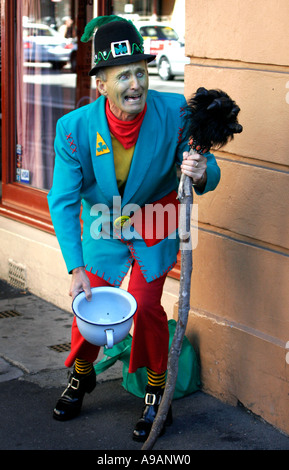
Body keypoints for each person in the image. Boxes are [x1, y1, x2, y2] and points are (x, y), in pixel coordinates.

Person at [47, 15, 220, 442]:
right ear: (102, 84)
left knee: (144, 306)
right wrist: (75, 267)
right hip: (104, 223)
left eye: (140, 72)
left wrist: (198, 171)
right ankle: (82, 375)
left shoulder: (176, 113)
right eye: (123, 75)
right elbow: (63, 201)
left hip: (155, 220)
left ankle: (157, 392)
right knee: (87, 302)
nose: (136, 84)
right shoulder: (73, 130)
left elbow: (208, 170)